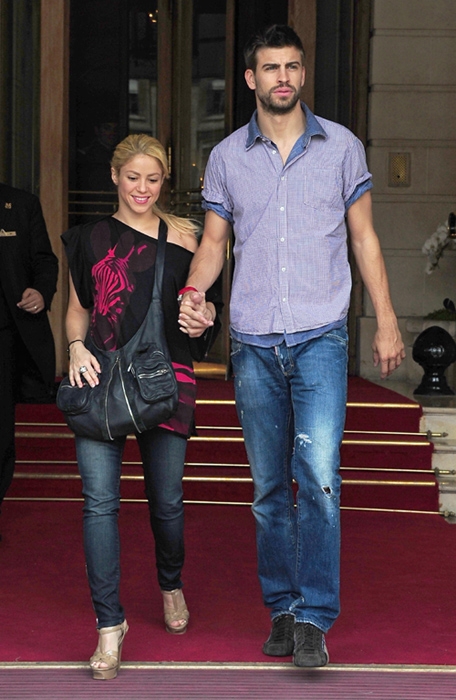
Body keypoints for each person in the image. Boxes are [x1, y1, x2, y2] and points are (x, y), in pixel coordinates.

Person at [177, 25, 405, 668]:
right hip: (252, 341)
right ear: (251, 79)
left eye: (293, 66)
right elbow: (214, 243)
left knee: (320, 478)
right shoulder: (227, 157)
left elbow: (364, 238)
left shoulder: (342, 148)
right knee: (270, 488)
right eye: (271, 68)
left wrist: (386, 318)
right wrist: (194, 293)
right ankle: (281, 607)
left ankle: (314, 617)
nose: (283, 77)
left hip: (320, 338)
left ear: (303, 74)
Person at [62, 134, 220, 681]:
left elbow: (203, 311)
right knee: (98, 505)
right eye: (133, 177)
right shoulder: (88, 239)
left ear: (164, 180)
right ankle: (110, 625)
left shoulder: (186, 237)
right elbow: (78, 309)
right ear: (114, 176)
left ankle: (170, 582)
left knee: (167, 502)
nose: (142, 188)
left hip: (166, 379)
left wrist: (204, 319)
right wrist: (74, 346)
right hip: (100, 378)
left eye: (153, 179)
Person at [0, 183, 58, 536]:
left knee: (2, 437)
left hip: (5, 339)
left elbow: (44, 260)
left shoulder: (21, 204)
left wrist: (41, 291)